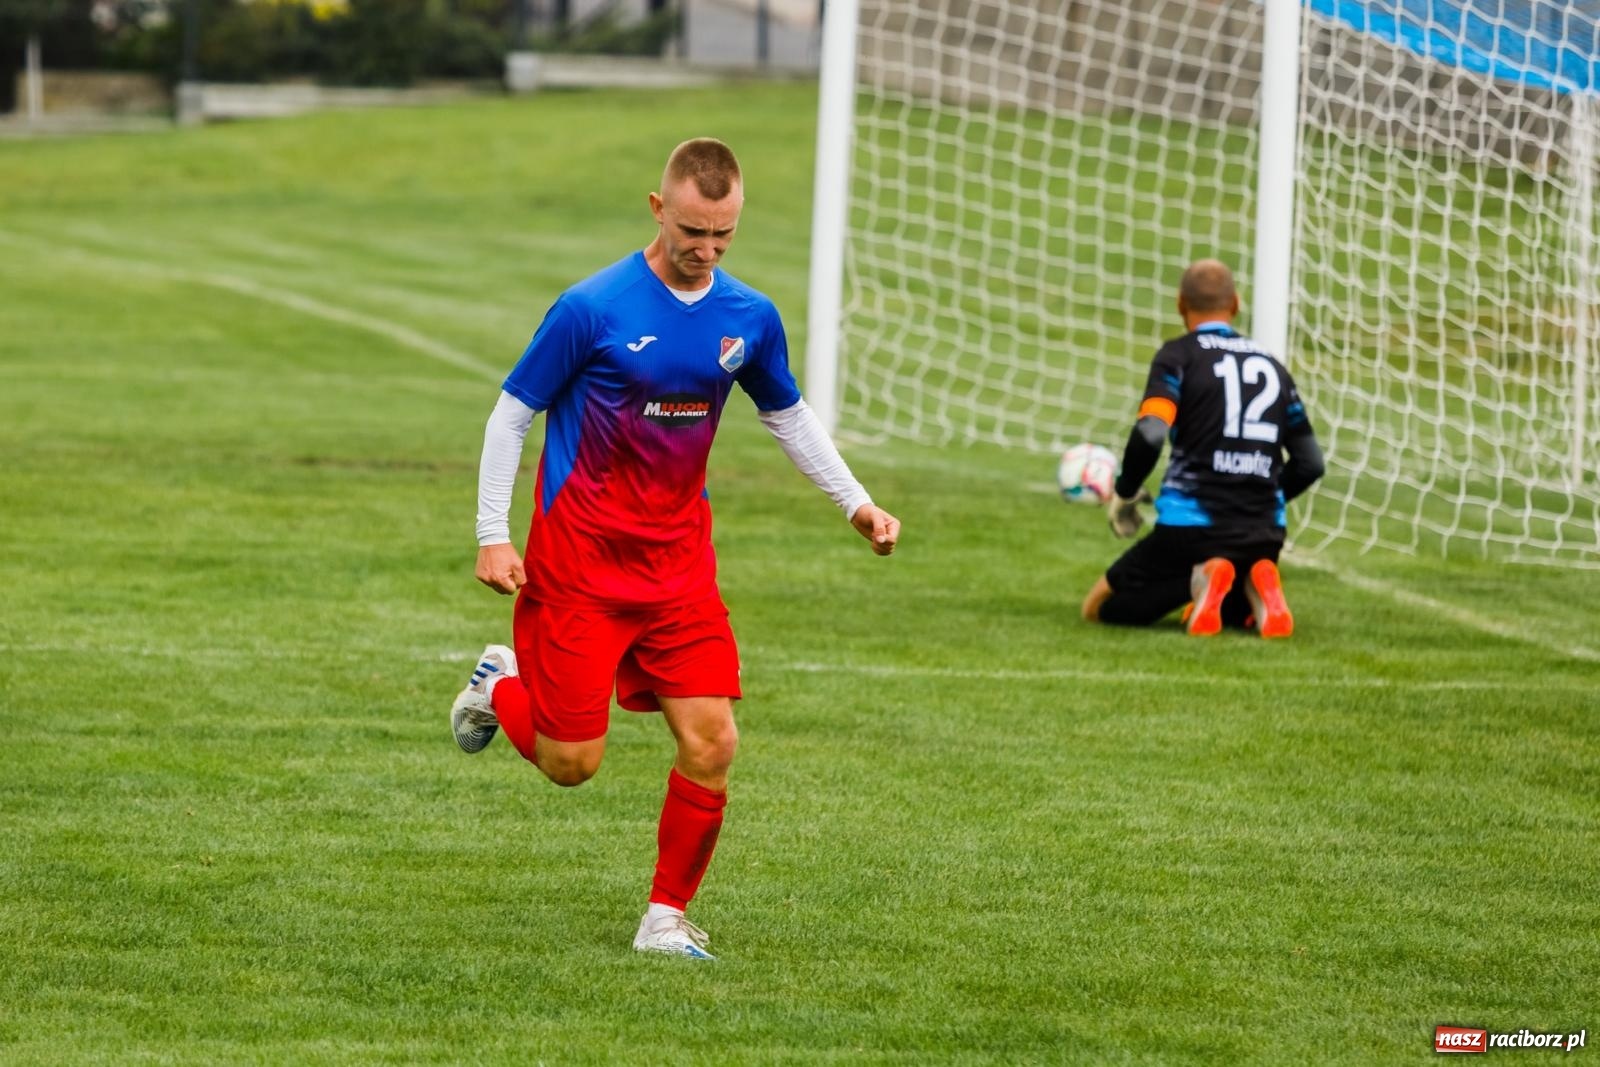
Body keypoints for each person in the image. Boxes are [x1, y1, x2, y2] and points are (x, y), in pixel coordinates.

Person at [449, 137, 901, 960]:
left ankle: (664, 916)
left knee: (714, 739)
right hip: (580, 566)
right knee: (570, 764)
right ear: (660, 209)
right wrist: (492, 533)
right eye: (694, 231)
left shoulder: (748, 318)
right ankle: (499, 684)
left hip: (679, 569)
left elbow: (787, 415)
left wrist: (857, 503)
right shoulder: (592, 307)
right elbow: (512, 412)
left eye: (724, 235)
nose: (708, 250)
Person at [1081, 259, 1324, 637]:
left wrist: (1125, 492)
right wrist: (1259, 501)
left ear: (1180, 304)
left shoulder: (1178, 357)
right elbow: (1310, 464)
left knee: (1100, 608)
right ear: (1236, 304)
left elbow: (1150, 434)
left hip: (1191, 530)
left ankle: (1199, 578)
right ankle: (1252, 581)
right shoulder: (1273, 367)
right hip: (1264, 533)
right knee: (1231, 602)